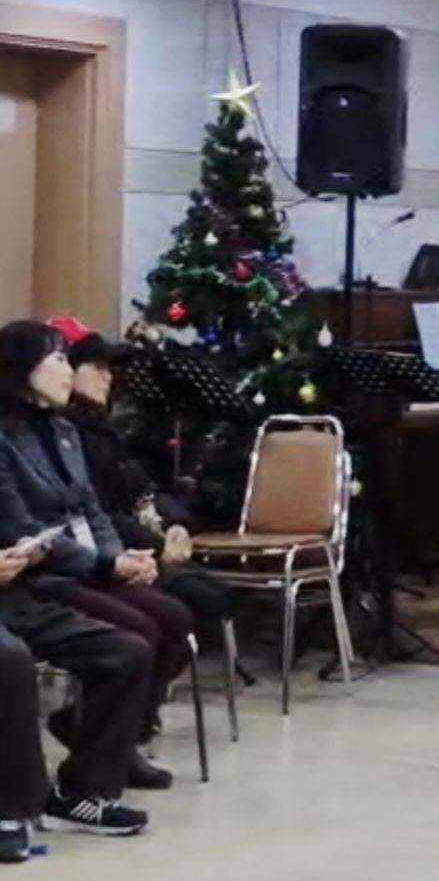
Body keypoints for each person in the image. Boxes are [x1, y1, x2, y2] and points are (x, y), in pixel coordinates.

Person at [0, 321, 186, 788]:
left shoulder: (66, 431)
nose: (69, 370)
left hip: (89, 561)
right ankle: (98, 757)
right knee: (138, 632)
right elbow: (24, 530)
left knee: (175, 617)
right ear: (24, 368)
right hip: (44, 571)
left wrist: (121, 558)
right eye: (59, 359)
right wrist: (105, 564)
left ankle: (110, 738)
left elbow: (92, 509)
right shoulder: (5, 437)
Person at [50, 317, 234, 637]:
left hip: (139, 543)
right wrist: (157, 546)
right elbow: (96, 512)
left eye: (110, 368)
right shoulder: (66, 434)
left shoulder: (101, 427)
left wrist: (176, 524)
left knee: (214, 594)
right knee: (189, 605)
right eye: (97, 367)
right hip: (108, 554)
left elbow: (143, 487)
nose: (109, 377)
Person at [0, 518, 153, 853]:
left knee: (127, 653)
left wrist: (29, 551)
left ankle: (82, 793)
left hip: (13, 598)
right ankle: (9, 809)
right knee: (11, 660)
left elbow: (18, 524)